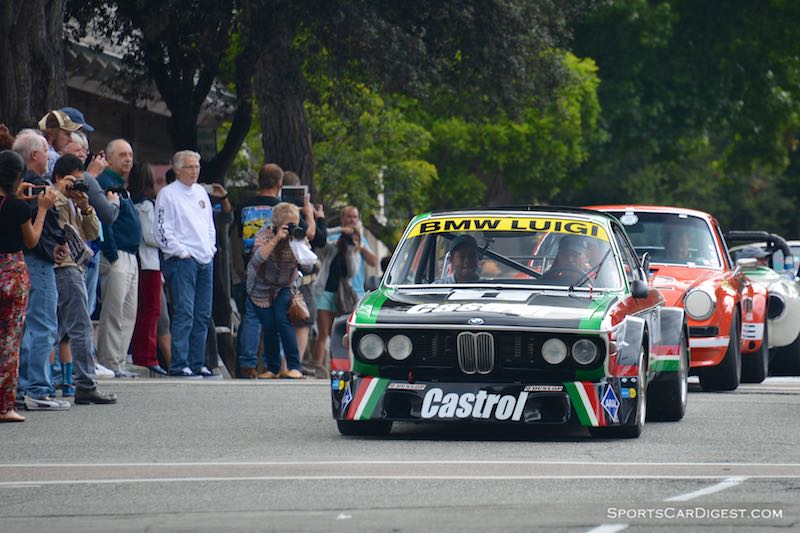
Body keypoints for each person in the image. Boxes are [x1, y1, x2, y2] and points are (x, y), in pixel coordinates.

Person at [49, 155, 117, 404]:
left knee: (62, 329)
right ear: (58, 178)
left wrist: (86, 207)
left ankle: (69, 382)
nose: (76, 186)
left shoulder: (75, 202)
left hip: (74, 267)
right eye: (72, 181)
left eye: (80, 181)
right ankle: (85, 384)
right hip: (62, 268)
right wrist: (60, 192)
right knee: (77, 327)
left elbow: (91, 234)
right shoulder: (52, 198)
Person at [13, 131, 72, 411]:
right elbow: (39, 224)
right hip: (38, 260)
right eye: (46, 151)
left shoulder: (15, 185)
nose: (49, 157)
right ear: (35, 155)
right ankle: (37, 387)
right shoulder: (37, 187)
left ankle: (22, 385)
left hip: (19, 260)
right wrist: (55, 242)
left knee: (24, 327)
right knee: (43, 325)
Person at [0, 150, 55, 422]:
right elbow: (31, 240)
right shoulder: (19, 207)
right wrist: (41, 209)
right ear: (19, 177)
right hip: (12, 273)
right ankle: (5, 405)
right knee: (10, 342)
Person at [154, 150, 217, 378]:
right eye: (190, 167)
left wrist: (210, 248)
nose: (195, 171)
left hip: (204, 258)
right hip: (183, 261)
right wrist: (181, 252)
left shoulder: (201, 192)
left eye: (197, 166)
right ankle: (180, 363)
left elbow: (209, 224)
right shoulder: (167, 194)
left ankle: (197, 361)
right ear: (178, 169)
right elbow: (162, 229)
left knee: (202, 313)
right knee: (185, 312)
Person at [311, 206, 378, 375]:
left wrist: (356, 246)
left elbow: (370, 263)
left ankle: (339, 369)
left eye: (355, 217)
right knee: (323, 333)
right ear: (342, 218)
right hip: (325, 292)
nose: (352, 220)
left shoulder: (359, 241)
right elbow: (321, 239)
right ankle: (318, 369)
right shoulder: (332, 237)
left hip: (350, 295)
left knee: (342, 335)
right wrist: (341, 232)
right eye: (348, 217)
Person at [96, 139, 141, 378]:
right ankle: (109, 362)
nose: (128, 159)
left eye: (130, 155)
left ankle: (119, 361)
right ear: (109, 158)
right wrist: (111, 252)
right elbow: (106, 220)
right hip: (117, 254)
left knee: (128, 311)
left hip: (131, 255)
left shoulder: (120, 184)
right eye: (122, 154)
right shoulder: (105, 182)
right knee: (114, 311)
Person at [235, 163, 283, 379]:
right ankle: (274, 365)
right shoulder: (282, 208)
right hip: (278, 267)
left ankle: (247, 364)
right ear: (279, 184)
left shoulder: (244, 207)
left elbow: (239, 235)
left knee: (252, 317)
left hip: (252, 265)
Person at [246, 202, 304, 379]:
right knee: (269, 326)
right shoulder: (264, 234)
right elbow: (256, 260)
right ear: (278, 223)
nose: (293, 227)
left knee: (282, 319)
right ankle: (273, 368)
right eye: (289, 224)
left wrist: (300, 245)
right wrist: (277, 238)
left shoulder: (297, 237)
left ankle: (295, 367)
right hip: (260, 287)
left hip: (284, 285)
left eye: (295, 223)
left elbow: (308, 265)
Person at [282, 171, 327, 378]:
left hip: (275, 276)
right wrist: (310, 213)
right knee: (303, 317)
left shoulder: (274, 210)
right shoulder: (292, 213)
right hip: (299, 277)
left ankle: (282, 365)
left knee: (283, 319)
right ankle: (294, 365)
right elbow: (315, 237)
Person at [128, 163, 167, 376]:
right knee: (151, 310)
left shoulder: (131, 202)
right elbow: (151, 236)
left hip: (137, 261)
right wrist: (168, 238)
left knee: (139, 310)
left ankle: (139, 352)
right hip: (149, 263)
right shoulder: (147, 205)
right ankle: (147, 355)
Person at [37, 110, 83, 175]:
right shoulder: (53, 157)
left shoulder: (40, 151)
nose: (70, 140)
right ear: (51, 134)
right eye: (66, 134)